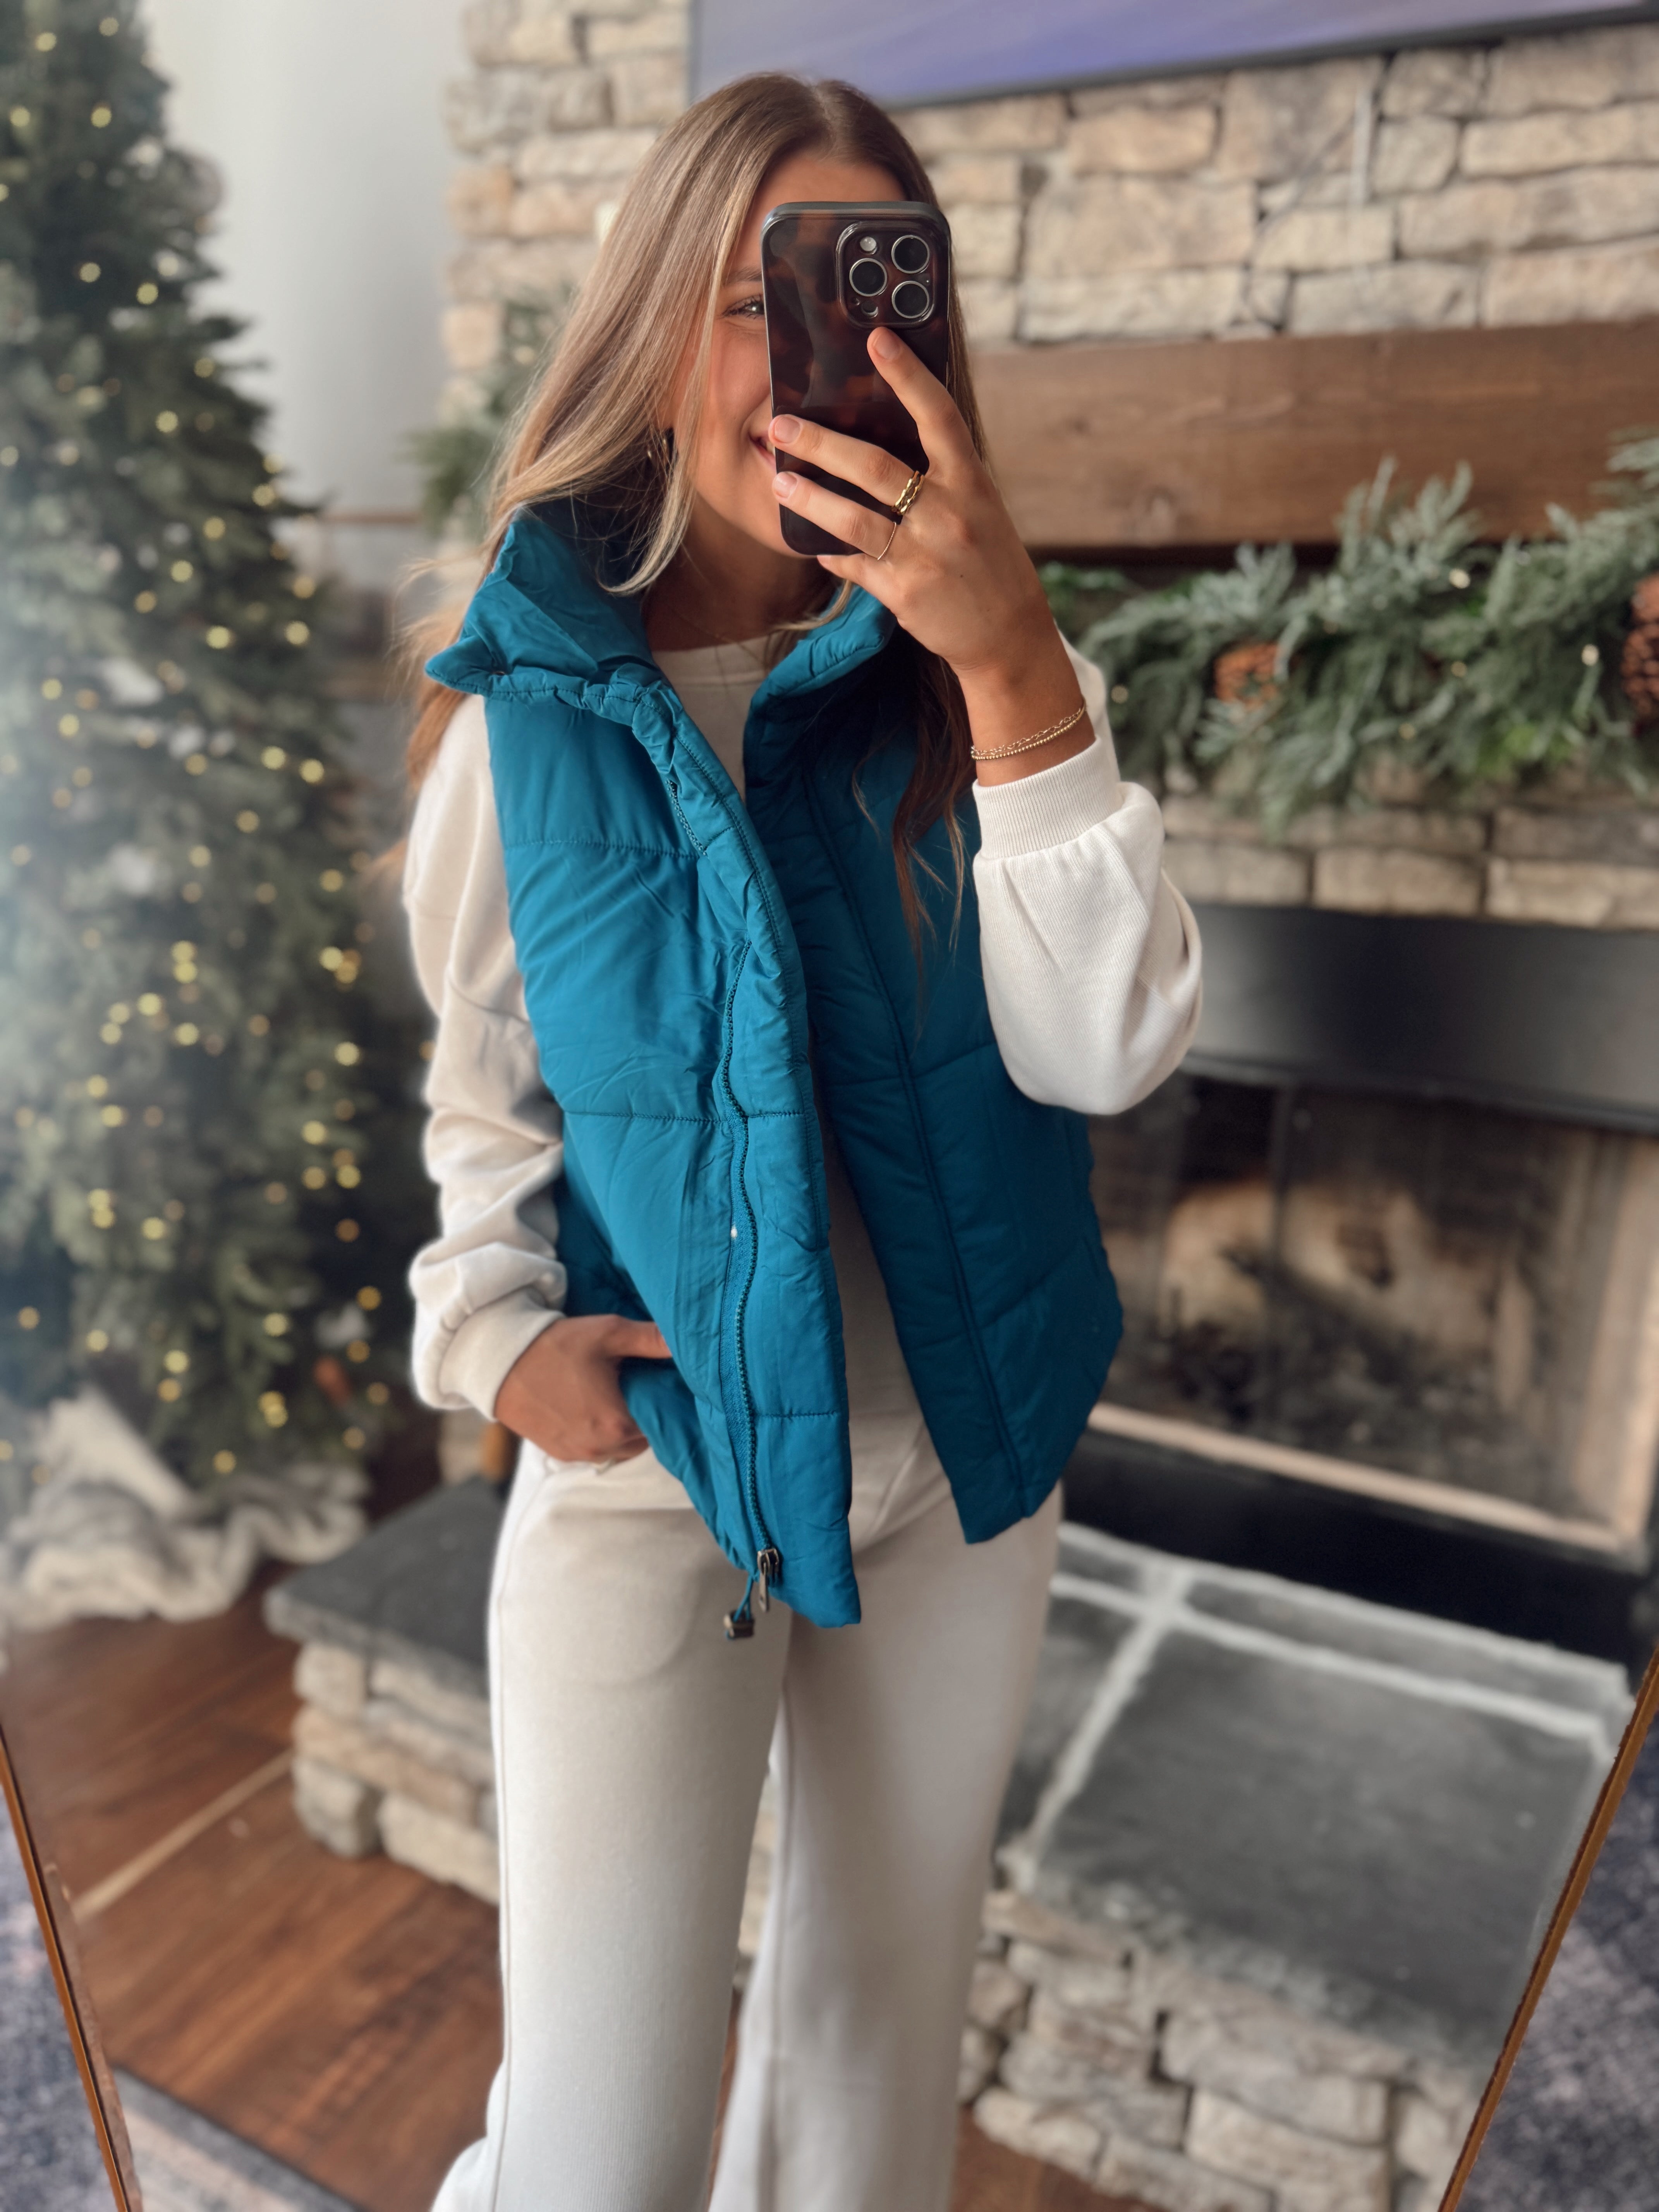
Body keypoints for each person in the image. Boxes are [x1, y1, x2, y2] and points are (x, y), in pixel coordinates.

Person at [402, 70, 1202, 2212]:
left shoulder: (999, 671)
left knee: (869, 2087)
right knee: (595, 2153)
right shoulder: (534, 709)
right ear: (656, 323)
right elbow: (483, 1079)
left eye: (863, 293)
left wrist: (1012, 663)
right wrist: (490, 1336)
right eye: (756, 296)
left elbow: (1112, 1049)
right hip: (664, 1474)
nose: (803, 355)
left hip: (961, 1464)